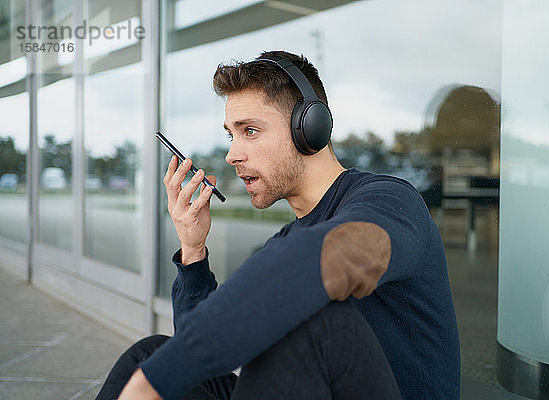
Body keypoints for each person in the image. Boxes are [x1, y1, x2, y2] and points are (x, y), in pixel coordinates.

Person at [96, 50, 460, 400]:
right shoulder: (286, 241)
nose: (232, 154)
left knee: (318, 322)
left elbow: (319, 261)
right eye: (231, 134)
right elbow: (204, 355)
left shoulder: (390, 203)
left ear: (309, 127)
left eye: (250, 131)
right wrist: (193, 249)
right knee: (146, 355)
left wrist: (155, 383)